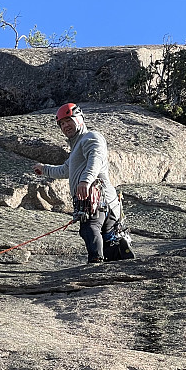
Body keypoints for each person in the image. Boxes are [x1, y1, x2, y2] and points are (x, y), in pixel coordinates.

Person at [33, 103, 131, 263]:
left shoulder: (91, 137)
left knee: (89, 228)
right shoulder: (77, 148)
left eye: (68, 120)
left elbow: (96, 159)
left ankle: (95, 265)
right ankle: (116, 269)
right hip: (107, 204)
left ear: (80, 119)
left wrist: (86, 180)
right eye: (62, 124)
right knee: (107, 240)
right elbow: (65, 170)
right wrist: (44, 169)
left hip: (99, 199)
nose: (65, 126)